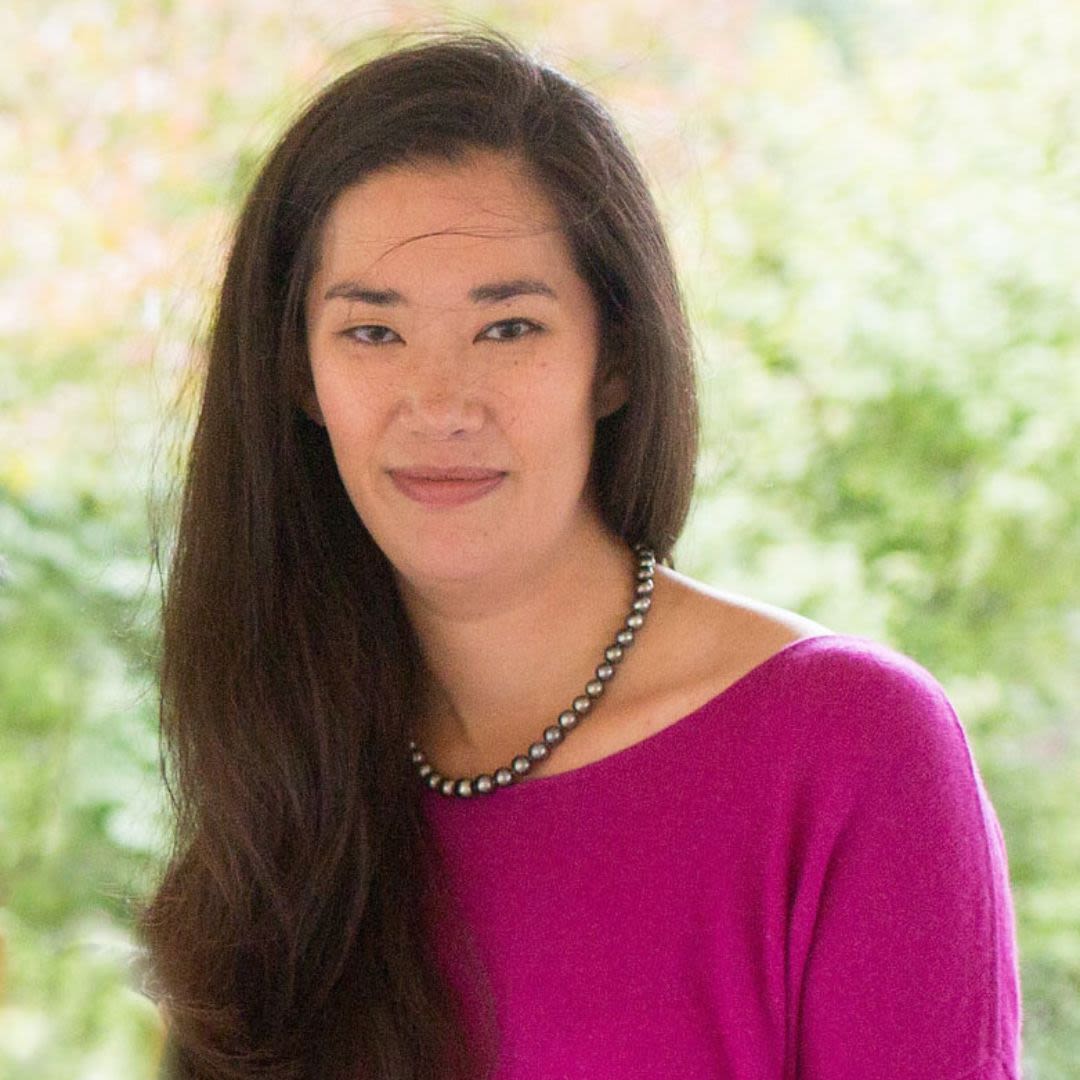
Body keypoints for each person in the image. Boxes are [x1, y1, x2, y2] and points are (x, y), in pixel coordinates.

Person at [136, 28, 1022, 1080]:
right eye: (373, 333)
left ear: (616, 358)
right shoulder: (285, 780)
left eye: (509, 328)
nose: (440, 405)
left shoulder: (852, 747)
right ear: (297, 378)